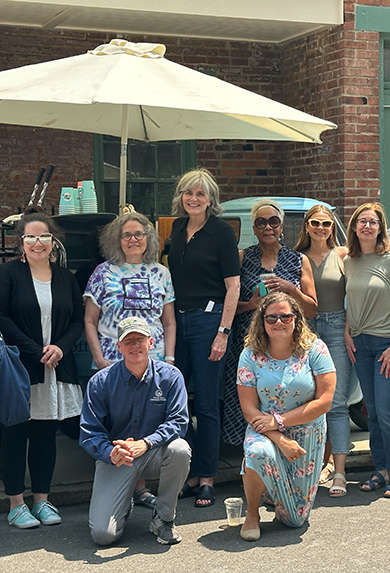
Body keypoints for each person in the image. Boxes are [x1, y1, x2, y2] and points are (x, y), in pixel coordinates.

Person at [0, 209, 84, 528]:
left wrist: (60, 347)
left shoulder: (66, 277)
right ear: (21, 242)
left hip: (56, 367)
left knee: (45, 434)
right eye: (31, 237)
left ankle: (42, 500)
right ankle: (16, 504)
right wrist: (35, 350)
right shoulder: (7, 274)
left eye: (44, 236)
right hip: (20, 367)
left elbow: (76, 320)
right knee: (15, 433)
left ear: (53, 241)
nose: (38, 243)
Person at [83, 210, 175, 510]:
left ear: (148, 239)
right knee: (119, 421)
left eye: (139, 234)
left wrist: (169, 359)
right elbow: (89, 320)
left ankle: (142, 486)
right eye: (127, 235)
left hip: (154, 360)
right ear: (117, 240)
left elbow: (170, 321)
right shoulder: (103, 273)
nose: (133, 240)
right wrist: (98, 358)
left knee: (150, 420)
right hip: (114, 360)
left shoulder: (161, 273)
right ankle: (121, 483)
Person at [80, 317, 191, 546]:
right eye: (127, 341)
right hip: (118, 457)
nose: (134, 346)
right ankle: (124, 501)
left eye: (139, 339)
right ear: (118, 347)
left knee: (180, 449)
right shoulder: (100, 382)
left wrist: (147, 443)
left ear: (151, 342)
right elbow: (89, 432)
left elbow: (179, 421)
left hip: (153, 452)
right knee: (103, 536)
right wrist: (110, 451)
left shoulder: (171, 377)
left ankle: (163, 518)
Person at [166, 168, 240, 508]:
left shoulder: (221, 232)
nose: (193, 199)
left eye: (200, 194)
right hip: (176, 323)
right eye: (188, 193)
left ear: (211, 199)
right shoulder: (178, 229)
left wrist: (223, 332)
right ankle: (191, 470)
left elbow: (233, 286)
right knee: (173, 399)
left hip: (210, 321)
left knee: (207, 403)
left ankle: (207, 477)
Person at [237, 292, 335, 541]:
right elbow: (249, 409)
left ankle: (273, 492)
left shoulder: (315, 349)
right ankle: (252, 513)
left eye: (285, 316)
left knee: (294, 520)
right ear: (262, 321)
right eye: (271, 318)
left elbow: (324, 401)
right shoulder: (250, 355)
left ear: (296, 319)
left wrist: (280, 421)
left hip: (307, 432)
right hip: (264, 429)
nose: (278, 323)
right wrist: (278, 435)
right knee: (257, 452)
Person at [222, 199, 318, 449]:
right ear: (253, 228)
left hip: (287, 343)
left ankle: (287, 443)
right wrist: (250, 304)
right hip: (249, 341)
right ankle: (251, 452)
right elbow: (230, 306)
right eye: (261, 222)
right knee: (247, 395)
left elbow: (311, 309)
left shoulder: (298, 260)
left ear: (282, 225)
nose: (268, 228)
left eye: (273, 222)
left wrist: (290, 290)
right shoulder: (243, 258)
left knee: (283, 394)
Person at [344, 202, 390, 498]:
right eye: (362, 221)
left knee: (386, 411)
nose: (367, 226)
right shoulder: (349, 260)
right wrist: (347, 333)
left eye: (372, 222)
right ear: (354, 227)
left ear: (380, 227)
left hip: (388, 343)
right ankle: (381, 470)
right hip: (360, 343)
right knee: (371, 412)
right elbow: (351, 300)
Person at [293, 204, 357, 497]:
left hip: (335, 327)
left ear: (333, 228)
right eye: (316, 223)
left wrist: (348, 329)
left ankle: (340, 472)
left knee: (337, 402)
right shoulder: (296, 258)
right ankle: (306, 468)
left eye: (327, 224)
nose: (321, 228)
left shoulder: (343, 255)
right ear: (306, 226)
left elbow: (357, 293)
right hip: (304, 329)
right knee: (305, 400)